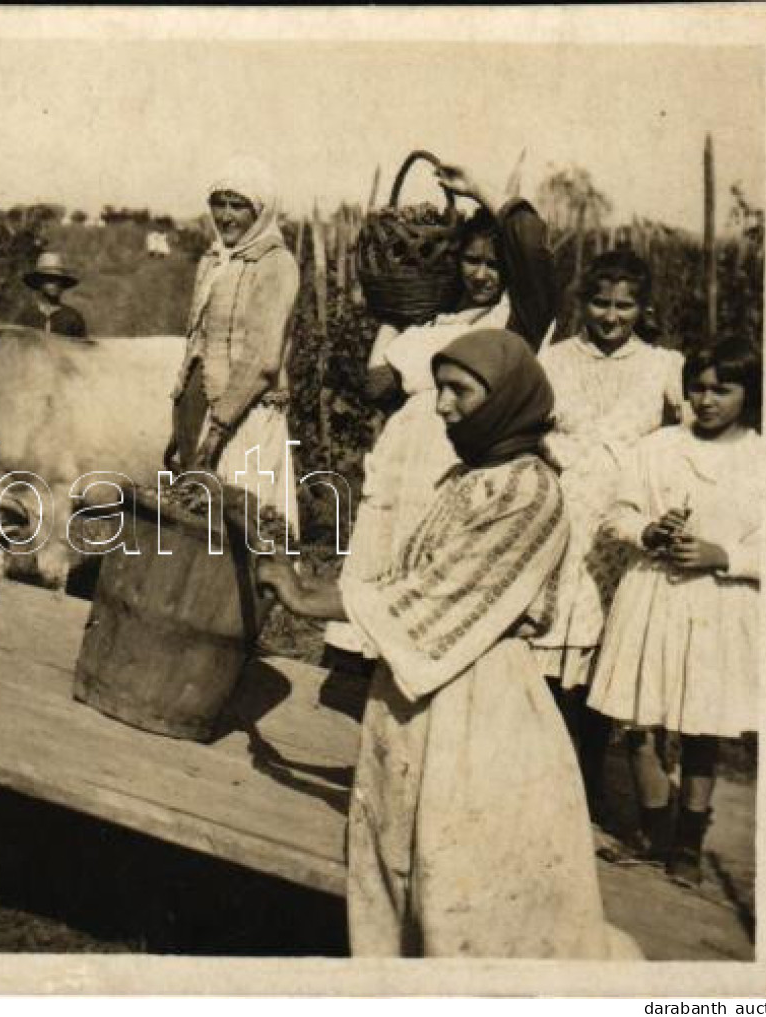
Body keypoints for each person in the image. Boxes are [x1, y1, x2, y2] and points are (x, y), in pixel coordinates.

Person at [258, 329, 638, 959]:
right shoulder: (466, 476)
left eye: (459, 391)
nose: (442, 405)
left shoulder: (530, 492)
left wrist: (305, 596)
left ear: (507, 398)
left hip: (481, 703)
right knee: (396, 841)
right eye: (441, 390)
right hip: (416, 690)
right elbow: (408, 579)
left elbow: (443, 594)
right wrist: (310, 582)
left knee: (464, 868)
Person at [324, 164, 556, 663]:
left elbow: (535, 252)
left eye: (494, 265)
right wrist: (396, 315)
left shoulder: (514, 323)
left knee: (434, 582)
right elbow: (376, 382)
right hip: (405, 461)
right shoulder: (438, 318)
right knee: (388, 559)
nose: (480, 274)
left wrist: (479, 190)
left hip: (457, 465)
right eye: (471, 261)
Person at [586, 340, 761, 887]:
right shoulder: (658, 447)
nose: (705, 401)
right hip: (652, 595)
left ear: (747, 394)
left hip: (716, 604)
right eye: (696, 389)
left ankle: (687, 843)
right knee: (638, 721)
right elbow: (616, 513)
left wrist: (724, 554)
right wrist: (648, 530)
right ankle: (654, 831)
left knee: (702, 727)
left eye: (720, 389)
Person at [533, 250, 685, 818]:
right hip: (563, 512)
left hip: (623, 525)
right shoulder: (554, 359)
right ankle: (549, 780)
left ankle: (591, 781)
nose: (611, 316)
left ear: (642, 307)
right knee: (549, 649)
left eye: (624, 305)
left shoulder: (663, 365)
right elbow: (529, 425)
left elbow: (692, 435)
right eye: (600, 302)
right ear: (583, 302)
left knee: (605, 653)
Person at [167, 155, 300, 539]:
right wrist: (185, 420)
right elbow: (197, 343)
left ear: (259, 211)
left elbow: (262, 358)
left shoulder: (276, 264)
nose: (225, 216)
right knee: (195, 525)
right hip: (201, 412)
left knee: (241, 522)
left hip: (244, 418)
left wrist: (217, 428)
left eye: (237, 205)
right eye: (218, 203)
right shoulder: (213, 260)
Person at [20, 252, 89, 338]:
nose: (54, 284)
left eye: (58, 280)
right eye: (49, 279)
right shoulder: (26, 316)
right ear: (39, 282)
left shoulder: (72, 318)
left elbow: (81, 349)